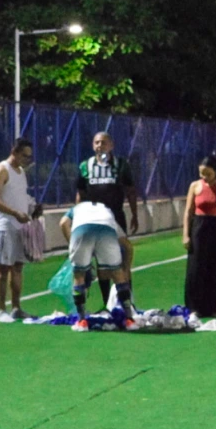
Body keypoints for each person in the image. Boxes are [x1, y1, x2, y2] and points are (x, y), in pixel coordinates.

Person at [76, 132, 138, 308]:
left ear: (111, 145)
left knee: (122, 258)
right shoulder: (85, 166)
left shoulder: (120, 165)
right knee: (102, 263)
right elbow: (80, 193)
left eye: (103, 142)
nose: (99, 146)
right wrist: (78, 215)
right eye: (96, 142)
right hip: (93, 218)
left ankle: (128, 301)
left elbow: (131, 190)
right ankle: (106, 304)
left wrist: (134, 214)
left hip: (115, 217)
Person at [59, 201, 137, 332]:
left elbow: (63, 223)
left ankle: (82, 321)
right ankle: (129, 319)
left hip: (81, 230)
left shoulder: (76, 209)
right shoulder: (107, 212)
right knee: (117, 274)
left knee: (79, 276)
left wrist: (72, 244)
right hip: (106, 231)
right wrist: (126, 268)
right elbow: (127, 245)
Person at [0, 139, 36, 323]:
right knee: (3, 266)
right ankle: (1, 310)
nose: (27, 160)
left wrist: (32, 208)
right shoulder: (2, 169)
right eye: (24, 155)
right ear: (14, 152)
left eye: (29, 157)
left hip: (20, 225)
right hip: (5, 224)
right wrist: (14, 213)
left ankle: (16, 307)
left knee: (17, 267)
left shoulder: (21, 172)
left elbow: (20, 196)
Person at [182, 156, 216, 317]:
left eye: (208, 174)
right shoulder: (195, 186)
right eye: (202, 173)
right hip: (199, 226)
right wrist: (186, 235)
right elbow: (188, 211)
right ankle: (195, 307)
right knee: (196, 267)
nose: (204, 177)